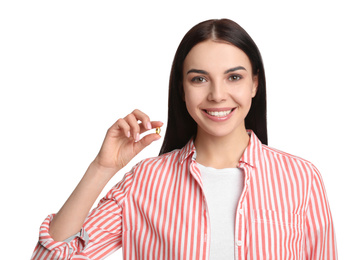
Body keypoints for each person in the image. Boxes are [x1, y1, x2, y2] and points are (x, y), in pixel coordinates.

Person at [31, 19, 337, 259]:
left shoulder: (300, 179)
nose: (217, 95)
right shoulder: (144, 182)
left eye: (234, 77)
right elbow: (51, 258)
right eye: (200, 79)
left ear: (254, 84)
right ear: (182, 88)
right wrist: (102, 168)